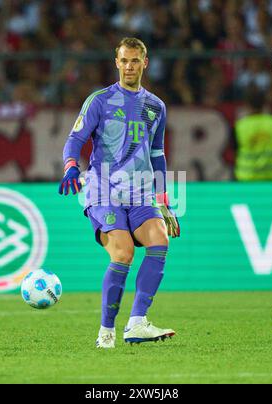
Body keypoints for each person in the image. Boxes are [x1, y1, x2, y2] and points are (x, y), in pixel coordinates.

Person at [59, 37, 180, 348]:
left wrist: (164, 201)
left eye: (135, 60)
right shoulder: (99, 101)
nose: (129, 66)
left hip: (140, 193)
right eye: (124, 60)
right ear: (116, 63)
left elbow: (157, 155)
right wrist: (72, 165)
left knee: (159, 240)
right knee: (123, 252)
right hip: (103, 190)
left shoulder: (156, 106)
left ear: (145, 63)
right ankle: (106, 332)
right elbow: (75, 139)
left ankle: (138, 323)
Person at [234, 89, 272, 181]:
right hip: (269, 176)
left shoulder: (241, 124)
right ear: (264, 104)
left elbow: (234, 148)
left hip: (246, 176)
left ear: (247, 105)